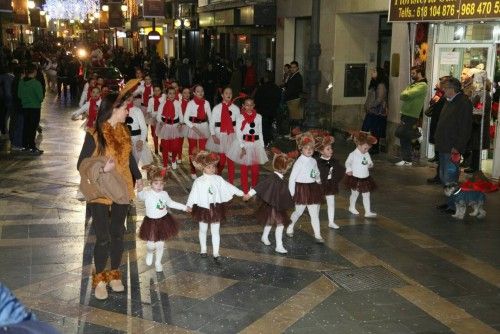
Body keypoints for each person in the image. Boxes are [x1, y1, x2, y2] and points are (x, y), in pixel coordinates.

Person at [77, 90, 143, 300]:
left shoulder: (124, 131)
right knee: (103, 237)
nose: (127, 111)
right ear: (114, 109)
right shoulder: (94, 134)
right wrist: (102, 170)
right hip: (101, 191)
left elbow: (129, 156)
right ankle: (99, 279)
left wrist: (138, 176)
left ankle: (114, 275)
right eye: (125, 108)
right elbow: (81, 164)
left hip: (122, 189)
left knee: (117, 234)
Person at [186, 151, 249, 261]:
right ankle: (203, 249)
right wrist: (189, 204)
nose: (212, 169)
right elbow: (193, 194)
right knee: (203, 229)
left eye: (213, 167)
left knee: (215, 231)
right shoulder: (198, 181)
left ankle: (216, 252)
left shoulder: (218, 179)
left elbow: (230, 187)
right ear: (203, 168)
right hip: (202, 208)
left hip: (216, 208)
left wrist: (241, 193)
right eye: (209, 167)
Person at [137, 166, 187, 272]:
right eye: (156, 183)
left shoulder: (164, 194)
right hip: (151, 222)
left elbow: (171, 203)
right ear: (150, 183)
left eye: (161, 183)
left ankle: (158, 262)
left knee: (160, 244)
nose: (159, 186)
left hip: (164, 220)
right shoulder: (147, 193)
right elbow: (140, 196)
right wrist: (140, 189)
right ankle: (150, 252)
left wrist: (184, 207)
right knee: (150, 244)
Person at [434, 77, 473, 213]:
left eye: (445, 88)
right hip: (443, 145)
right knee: (444, 176)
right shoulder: (448, 101)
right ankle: (449, 202)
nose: (443, 91)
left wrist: (458, 146)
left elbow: (465, 128)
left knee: (451, 176)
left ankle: (454, 205)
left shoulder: (463, 103)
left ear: (452, 89)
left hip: (452, 147)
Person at [248, 150, 296, 254]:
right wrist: (250, 194)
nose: (288, 169)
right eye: (287, 167)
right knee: (280, 224)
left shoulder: (279, 177)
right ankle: (279, 246)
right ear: (283, 168)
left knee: (270, 221)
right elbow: (261, 186)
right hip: (274, 205)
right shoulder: (273, 178)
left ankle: (264, 237)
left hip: (276, 204)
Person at [285, 132, 324, 243]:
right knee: (298, 212)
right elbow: (292, 178)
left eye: (311, 148)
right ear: (301, 149)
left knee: (314, 213)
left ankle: (317, 234)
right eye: (306, 148)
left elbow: (316, 172)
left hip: (312, 188)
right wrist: (292, 193)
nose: (309, 150)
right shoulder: (299, 162)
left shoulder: (313, 160)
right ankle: (290, 226)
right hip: (301, 189)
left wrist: (318, 179)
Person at [227, 97, 269, 194]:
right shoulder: (240, 117)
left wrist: (262, 147)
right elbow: (238, 133)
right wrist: (242, 147)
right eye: (247, 105)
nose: (249, 107)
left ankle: (253, 188)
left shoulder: (259, 117)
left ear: (254, 106)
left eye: (251, 105)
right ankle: (245, 190)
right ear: (243, 106)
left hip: (256, 145)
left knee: (255, 170)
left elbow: (260, 132)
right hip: (244, 144)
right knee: (244, 169)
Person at [395, 65, 428, 166]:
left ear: (419, 73)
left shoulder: (422, 85)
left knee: (401, 133)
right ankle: (407, 160)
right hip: (405, 112)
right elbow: (402, 95)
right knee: (403, 136)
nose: (412, 75)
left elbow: (407, 95)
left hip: (412, 114)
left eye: (413, 73)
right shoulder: (414, 84)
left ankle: (417, 132)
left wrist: (406, 93)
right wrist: (405, 93)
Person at [206, 87, 239, 184]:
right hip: (220, 135)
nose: (228, 95)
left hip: (231, 136)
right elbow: (212, 123)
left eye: (230, 93)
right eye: (226, 93)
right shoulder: (217, 108)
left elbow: (238, 124)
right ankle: (217, 178)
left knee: (231, 161)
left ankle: (231, 183)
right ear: (222, 95)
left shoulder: (235, 109)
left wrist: (237, 137)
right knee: (221, 161)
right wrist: (213, 135)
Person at [315, 133, 345, 229]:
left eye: (331, 148)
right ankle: (315, 221)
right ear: (321, 151)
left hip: (330, 185)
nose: (331, 150)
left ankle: (331, 222)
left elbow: (340, 170)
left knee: (331, 203)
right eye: (328, 149)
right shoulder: (318, 162)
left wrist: (335, 179)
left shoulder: (334, 161)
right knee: (318, 204)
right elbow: (315, 173)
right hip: (320, 185)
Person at [345, 131, 378, 218]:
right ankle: (351, 207)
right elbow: (347, 163)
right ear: (359, 145)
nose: (366, 150)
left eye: (368, 149)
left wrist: (370, 164)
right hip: (355, 178)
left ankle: (367, 211)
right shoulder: (353, 154)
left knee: (366, 194)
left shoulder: (366, 153)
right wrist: (349, 169)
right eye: (365, 148)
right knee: (355, 193)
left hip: (365, 178)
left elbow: (369, 161)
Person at [184, 85, 211, 179]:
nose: (200, 93)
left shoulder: (206, 103)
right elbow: (185, 119)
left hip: (203, 126)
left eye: (202, 91)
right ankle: (193, 170)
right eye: (198, 91)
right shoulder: (190, 103)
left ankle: (204, 169)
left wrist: (213, 130)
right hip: (193, 127)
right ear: (194, 93)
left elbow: (210, 118)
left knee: (203, 150)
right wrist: (194, 128)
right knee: (193, 150)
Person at [426, 76, 448, 184]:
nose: (439, 85)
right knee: (441, 155)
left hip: (441, 125)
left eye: (442, 83)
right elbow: (432, 103)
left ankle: (441, 177)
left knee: (443, 157)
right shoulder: (440, 94)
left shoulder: (447, 97)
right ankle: (439, 176)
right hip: (437, 123)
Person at [18, 64, 44, 154]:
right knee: (33, 128)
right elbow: (40, 98)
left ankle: (25, 146)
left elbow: (19, 95)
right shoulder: (36, 83)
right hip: (35, 108)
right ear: (34, 72)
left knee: (26, 126)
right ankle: (33, 147)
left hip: (25, 107)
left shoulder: (21, 82)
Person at [467, 79, 492, 174]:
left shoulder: (484, 95)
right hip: (478, 123)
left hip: (479, 124)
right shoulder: (482, 94)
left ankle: (475, 167)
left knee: (477, 147)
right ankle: (473, 166)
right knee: (475, 147)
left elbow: (479, 109)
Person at [361, 67, 388, 154]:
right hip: (371, 111)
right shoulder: (374, 84)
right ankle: (367, 147)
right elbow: (370, 97)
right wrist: (367, 106)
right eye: (372, 71)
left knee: (373, 130)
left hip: (376, 112)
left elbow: (379, 99)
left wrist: (370, 106)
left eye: (374, 71)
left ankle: (374, 148)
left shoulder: (381, 85)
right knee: (368, 129)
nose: (372, 73)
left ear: (379, 73)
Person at [156, 87, 183, 170]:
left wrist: (181, 122)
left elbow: (180, 114)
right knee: (165, 147)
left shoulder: (178, 103)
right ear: (167, 94)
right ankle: (164, 164)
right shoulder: (163, 103)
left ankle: (174, 159)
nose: (171, 95)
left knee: (175, 147)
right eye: (170, 93)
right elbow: (158, 116)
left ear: (175, 94)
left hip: (175, 126)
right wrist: (160, 121)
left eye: (173, 93)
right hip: (166, 127)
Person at [254, 71, 282, 146]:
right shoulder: (276, 88)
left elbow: (256, 100)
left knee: (263, 127)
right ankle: (269, 140)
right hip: (272, 111)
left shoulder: (262, 88)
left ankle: (265, 141)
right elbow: (279, 99)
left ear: (266, 78)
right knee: (269, 126)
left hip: (263, 111)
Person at [125, 94, 153, 168]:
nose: (128, 98)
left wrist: (141, 140)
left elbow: (144, 128)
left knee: (134, 164)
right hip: (123, 140)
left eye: (130, 96)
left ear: (132, 98)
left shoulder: (137, 110)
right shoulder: (118, 110)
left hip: (136, 140)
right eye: (126, 96)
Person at [146, 83, 166, 155]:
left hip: (161, 118)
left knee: (163, 134)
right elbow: (149, 109)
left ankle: (161, 145)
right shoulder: (151, 99)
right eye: (155, 90)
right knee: (154, 134)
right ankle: (156, 149)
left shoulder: (163, 98)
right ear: (153, 91)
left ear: (160, 91)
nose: (156, 92)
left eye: (158, 90)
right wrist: (150, 115)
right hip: (154, 118)